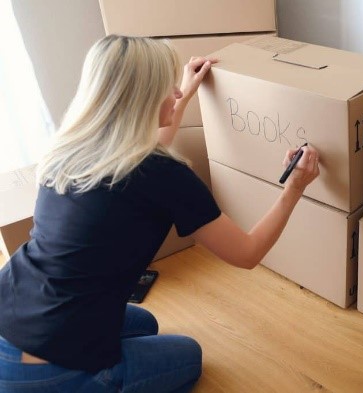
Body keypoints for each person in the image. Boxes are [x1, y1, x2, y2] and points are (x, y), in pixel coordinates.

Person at [0, 35, 319, 392]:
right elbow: (246, 254)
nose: (177, 94)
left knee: (144, 323)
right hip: (45, 371)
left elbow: (149, 151)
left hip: (11, 316)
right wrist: (295, 188)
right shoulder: (162, 174)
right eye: (166, 87)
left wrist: (186, 88)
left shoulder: (71, 148)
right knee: (188, 356)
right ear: (142, 99)